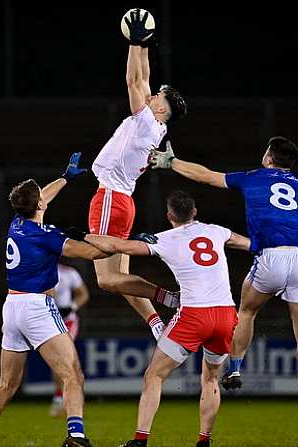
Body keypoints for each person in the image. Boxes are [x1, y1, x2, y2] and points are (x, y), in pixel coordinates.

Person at [148, 136, 298, 415]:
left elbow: (207, 177)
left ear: (268, 157)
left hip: (271, 255)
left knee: (247, 312)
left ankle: (236, 368)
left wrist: (171, 162)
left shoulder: (253, 177)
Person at [0, 153, 113, 447]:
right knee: (73, 375)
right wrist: (123, 243)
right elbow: (94, 253)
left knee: (6, 385)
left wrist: (65, 179)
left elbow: (39, 198)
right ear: (40, 206)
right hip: (37, 308)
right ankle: (76, 435)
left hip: (11, 308)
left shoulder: (16, 224)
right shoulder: (46, 235)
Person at [81, 190, 249, 447]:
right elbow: (249, 243)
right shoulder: (217, 231)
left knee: (154, 376)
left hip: (194, 315)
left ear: (169, 215)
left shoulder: (165, 239)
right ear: (194, 212)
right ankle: (204, 440)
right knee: (211, 377)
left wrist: (82, 235)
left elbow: (116, 246)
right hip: (226, 314)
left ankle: (140, 440)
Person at [89, 8, 187, 339]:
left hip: (110, 198)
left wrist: (134, 42)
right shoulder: (156, 127)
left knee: (105, 279)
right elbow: (143, 80)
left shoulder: (148, 122)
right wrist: (143, 45)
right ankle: (158, 325)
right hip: (123, 201)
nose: (151, 95)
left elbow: (134, 80)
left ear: (160, 109)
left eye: (157, 97)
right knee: (121, 278)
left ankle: (170, 298)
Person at [49, 262, 90, 417]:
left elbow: (83, 294)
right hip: (50, 319)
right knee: (58, 360)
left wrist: (72, 306)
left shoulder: (69, 273)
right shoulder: (43, 268)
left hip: (67, 320)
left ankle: (67, 398)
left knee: (66, 358)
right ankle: (60, 396)